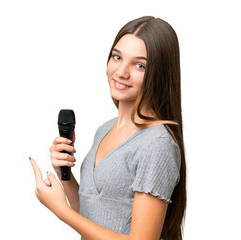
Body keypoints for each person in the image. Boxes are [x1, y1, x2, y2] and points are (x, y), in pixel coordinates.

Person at [30, 16, 187, 240]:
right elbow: (90, 215)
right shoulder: (105, 129)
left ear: (159, 73)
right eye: (117, 57)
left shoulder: (156, 144)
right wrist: (64, 175)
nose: (121, 72)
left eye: (139, 65)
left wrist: (61, 211)